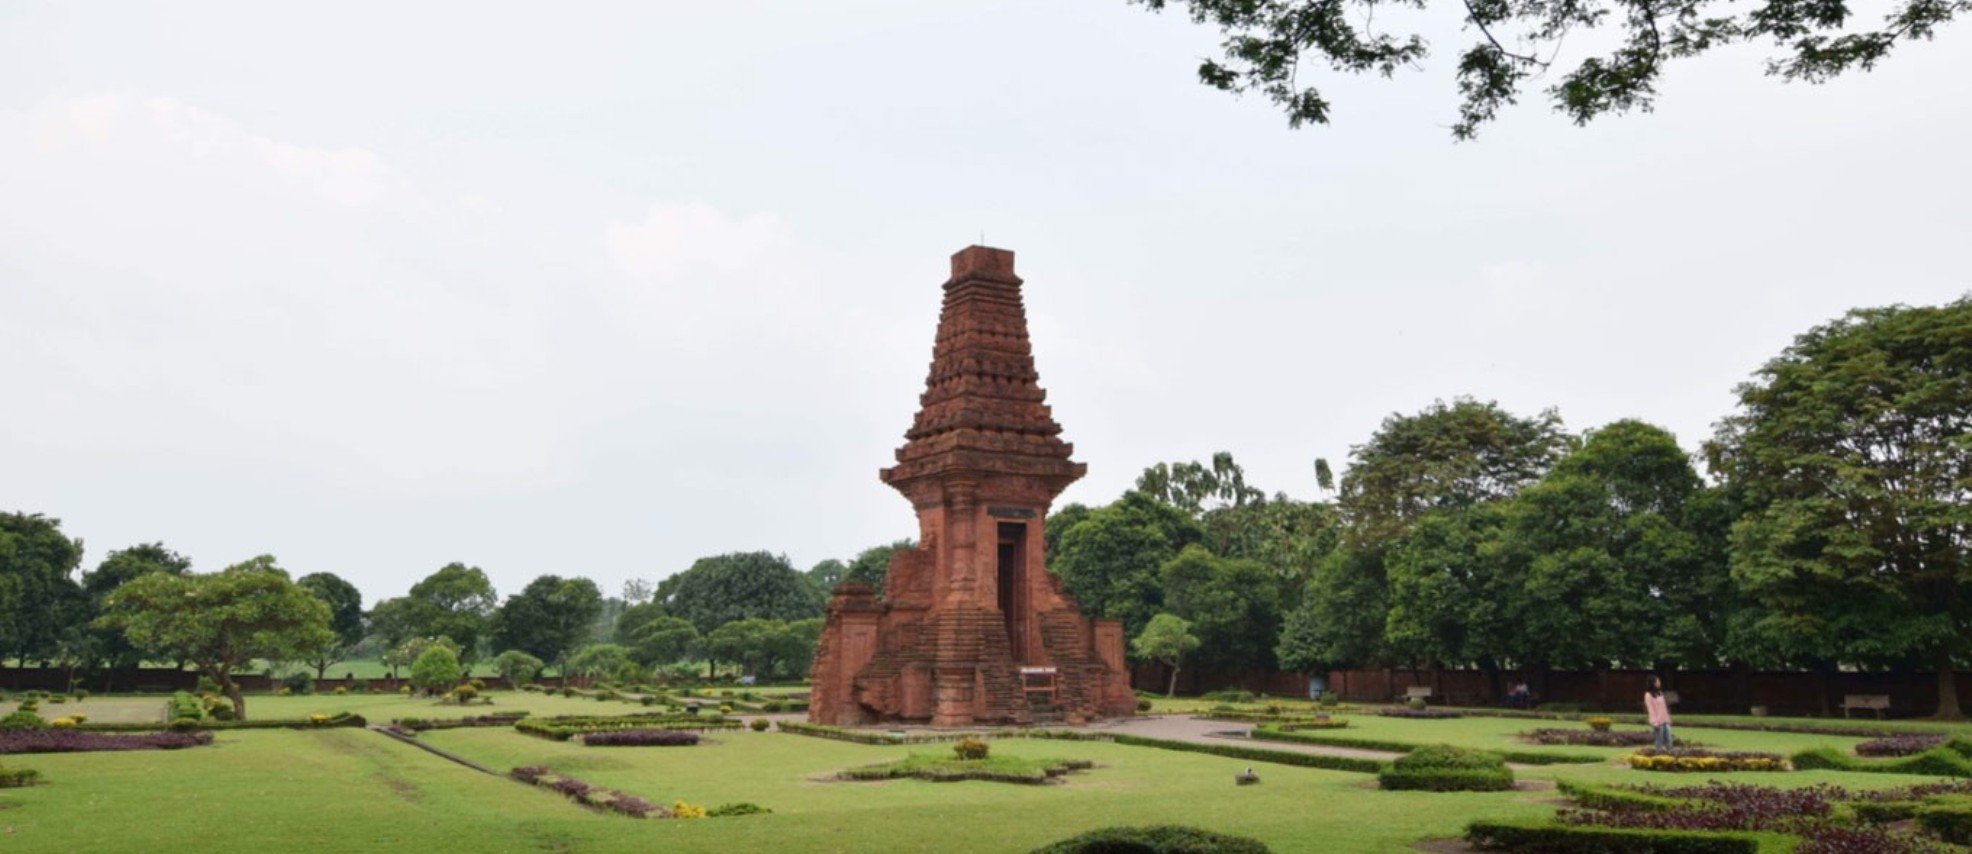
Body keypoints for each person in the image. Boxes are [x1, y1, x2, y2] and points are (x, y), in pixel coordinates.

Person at [1645, 676, 1674, 750]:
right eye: (1658, 681)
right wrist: (1655, 722)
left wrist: (1668, 719)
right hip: (1657, 722)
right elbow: (1651, 710)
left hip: (1665, 720)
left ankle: (1670, 755)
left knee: (1669, 740)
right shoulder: (1648, 695)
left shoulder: (1660, 693)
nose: (1659, 683)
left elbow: (1664, 708)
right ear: (1653, 683)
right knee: (1659, 741)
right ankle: (1658, 756)